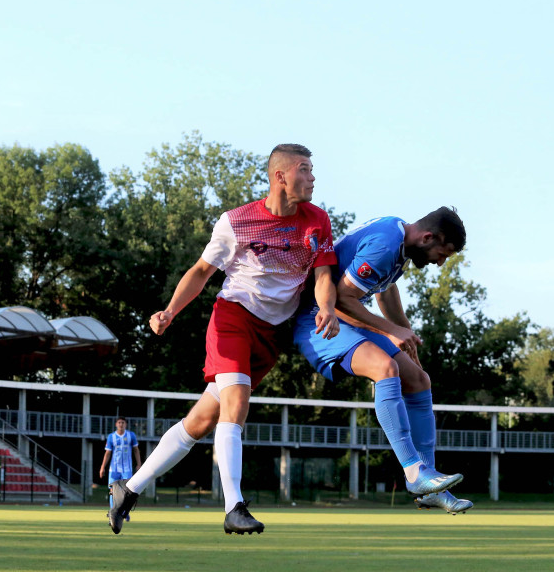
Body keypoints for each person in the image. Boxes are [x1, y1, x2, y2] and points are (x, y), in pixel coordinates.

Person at [109, 143, 340, 535]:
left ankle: (127, 490)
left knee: (199, 422)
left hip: (270, 335)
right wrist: (169, 311)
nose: (313, 176)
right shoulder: (237, 221)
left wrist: (327, 307)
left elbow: (322, 276)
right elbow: (201, 271)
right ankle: (234, 506)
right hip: (232, 319)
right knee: (236, 401)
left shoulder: (317, 220)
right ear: (280, 176)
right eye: (305, 169)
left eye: (313, 169)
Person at [293, 207, 472, 514]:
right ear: (428, 237)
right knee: (384, 368)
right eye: (443, 253)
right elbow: (342, 297)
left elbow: (383, 290)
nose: (440, 262)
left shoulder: (400, 240)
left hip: (348, 317)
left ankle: (429, 483)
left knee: (418, 379)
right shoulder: (386, 244)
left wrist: (405, 332)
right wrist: (390, 331)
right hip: (320, 319)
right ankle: (414, 472)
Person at [99, 417, 141, 515]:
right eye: (119, 422)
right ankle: (113, 512)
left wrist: (139, 464)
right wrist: (102, 467)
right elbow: (107, 453)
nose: (121, 424)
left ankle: (125, 512)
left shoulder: (131, 435)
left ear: (125, 424)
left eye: (123, 422)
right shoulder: (111, 437)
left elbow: (136, 450)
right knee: (112, 490)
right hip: (114, 469)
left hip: (127, 468)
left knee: (127, 491)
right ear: (116, 424)